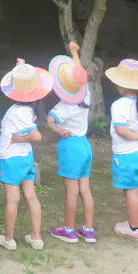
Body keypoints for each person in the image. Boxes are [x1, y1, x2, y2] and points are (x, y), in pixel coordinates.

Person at [0, 59, 54, 252]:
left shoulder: (17, 111)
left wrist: (16, 139)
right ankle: (36, 237)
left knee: (13, 200)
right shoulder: (30, 109)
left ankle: (9, 239)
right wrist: (21, 65)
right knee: (31, 196)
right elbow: (26, 82)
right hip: (26, 158)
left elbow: (36, 136)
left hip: (12, 159)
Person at [47, 42, 96, 244]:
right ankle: (88, 229)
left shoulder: (64, 105)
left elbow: (50, 121)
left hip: (71, 146)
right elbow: (80, 76)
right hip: (85, 145)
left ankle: (68, 229)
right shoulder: (86, 95)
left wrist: (60, 130)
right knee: (85, 189)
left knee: (71, 191)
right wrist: (75, 53)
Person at [105, 59, 138, 241]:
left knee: (131, 191)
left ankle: (134, 229)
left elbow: (122, 130)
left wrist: (137, 136)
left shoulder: (119, 105)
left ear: (123, 84)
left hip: (128, 153)